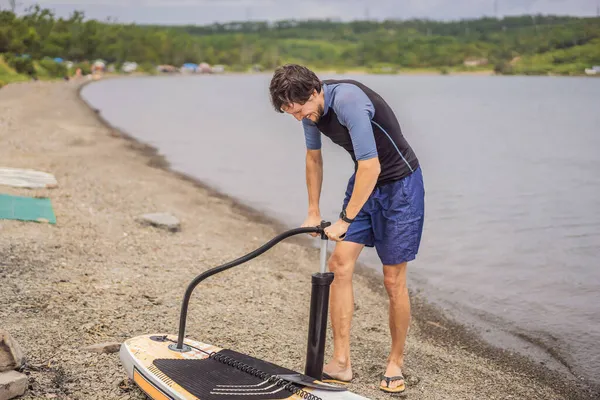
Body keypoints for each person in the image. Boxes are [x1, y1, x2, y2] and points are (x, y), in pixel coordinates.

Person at [269, 64, 425, 394]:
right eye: (291, 114)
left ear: (313, 92)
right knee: (339, 265)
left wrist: (346, 220)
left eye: (299, 110)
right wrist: (312, 211)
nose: (299, 118)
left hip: (401, 187)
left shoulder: (348, 100)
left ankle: (395, 361)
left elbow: (372, 165)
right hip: (365, 186)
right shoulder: (311, 112)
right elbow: (314, 157)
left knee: (393, 278)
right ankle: (341, 363)